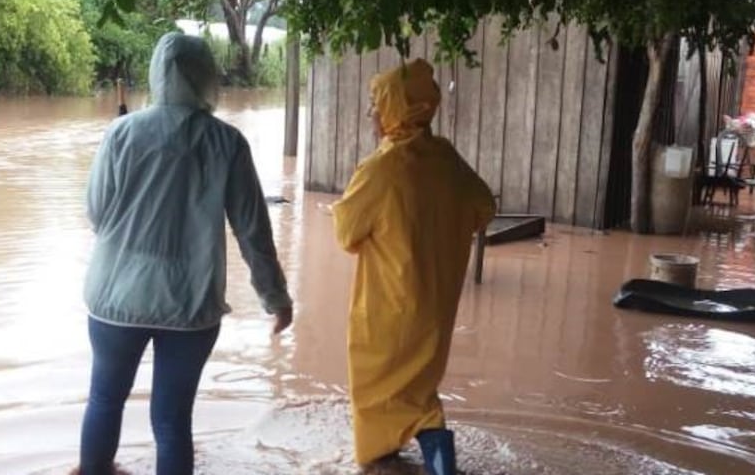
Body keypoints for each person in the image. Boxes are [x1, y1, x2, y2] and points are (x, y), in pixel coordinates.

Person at [76, 32, 293, 475]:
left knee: (104, 398)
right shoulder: (228, 143)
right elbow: (253, 231)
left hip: (115, 297)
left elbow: (96, 214)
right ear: (206, 77)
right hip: (190, 304)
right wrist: (276, 298)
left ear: (157, 75)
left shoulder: (121, 132)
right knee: (172, 421)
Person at [332, 58, 496, 475]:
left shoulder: (380, 170)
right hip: (436, 307)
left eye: (376, 103)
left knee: (375, 391)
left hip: (387, 309)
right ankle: (440, 464)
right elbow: (484, 207)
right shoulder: (446, 159)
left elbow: (347, 233)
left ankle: (381, 461)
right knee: (419, 391)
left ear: (396, 108)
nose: (371, 113)